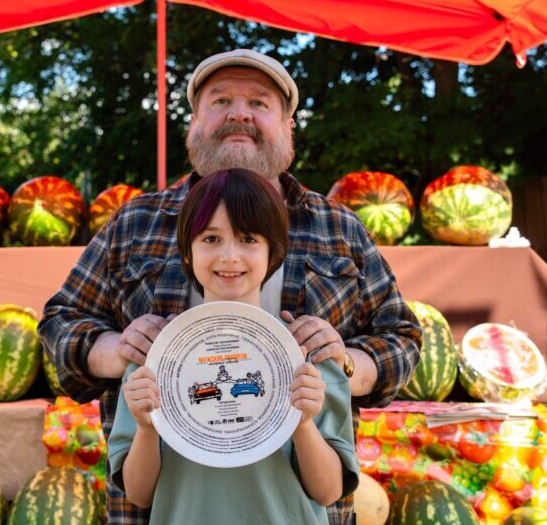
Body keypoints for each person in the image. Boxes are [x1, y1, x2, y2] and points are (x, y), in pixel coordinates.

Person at [38, 48, 422, 525]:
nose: (239, 113)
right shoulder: (137, 221)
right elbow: (59, 323)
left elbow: (402, 339)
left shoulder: (338, 226)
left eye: (259, 102)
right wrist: (117, 349)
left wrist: (344, 364)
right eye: (220, 100)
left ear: (288, 128)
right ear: (194, 124)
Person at [108, 168, 359, 524]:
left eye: (248, 239)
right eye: (210, 239)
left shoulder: (309, 353)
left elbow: (329, 491)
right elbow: (138, 493)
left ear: (274, 252)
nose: (229, 256)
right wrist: (147, 427)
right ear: (187, 253)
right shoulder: (155, 356)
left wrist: (302, 423)